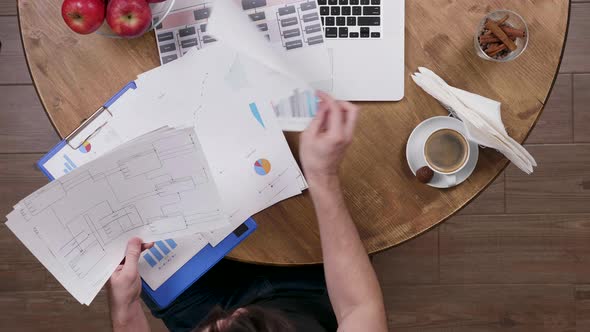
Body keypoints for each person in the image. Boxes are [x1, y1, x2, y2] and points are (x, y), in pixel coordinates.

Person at [107, 92, 388, 332]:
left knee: (132, 231)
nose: (233, 313)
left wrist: (126, 310)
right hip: (307, 294)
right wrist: (322, 174)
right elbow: (359, 307)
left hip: (200, 303)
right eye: (236, 320)